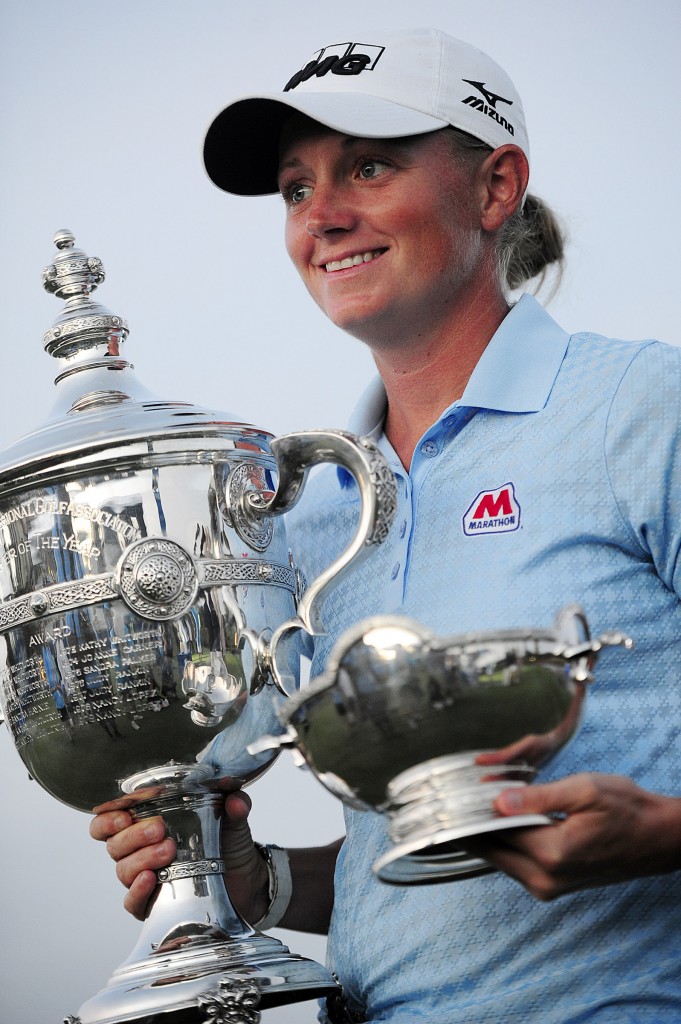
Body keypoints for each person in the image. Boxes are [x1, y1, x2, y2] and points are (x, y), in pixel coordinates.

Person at [90, 28, 681, 1023]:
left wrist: (668, 830)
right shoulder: (309, 514)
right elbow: (399, 860)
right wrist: (259, 880)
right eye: (294, 188)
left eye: (368, 166)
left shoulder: (641, 404)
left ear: (497, 188)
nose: (323, 217)